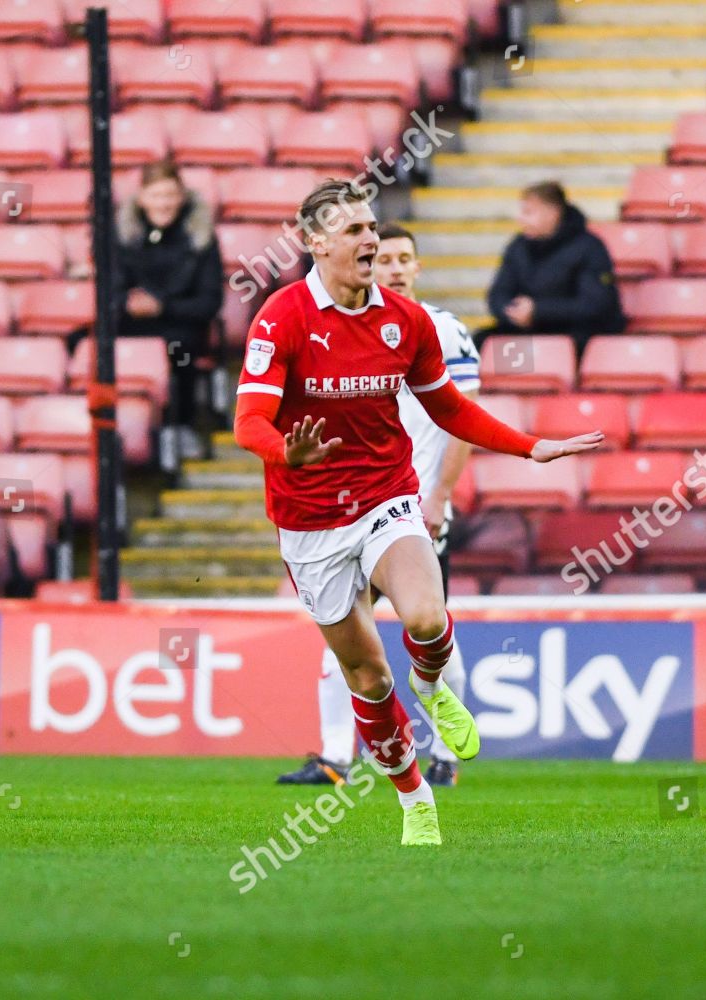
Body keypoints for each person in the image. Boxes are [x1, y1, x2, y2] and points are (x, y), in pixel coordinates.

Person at [234, 179, 601, 846]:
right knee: (367, 677)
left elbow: (450, 410)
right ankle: (413, 796)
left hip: (386, 497)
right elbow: (249, 422)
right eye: (353, 231)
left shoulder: (410, 322)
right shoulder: (282, 317)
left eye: (371, 227)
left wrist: (530, 447)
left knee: (427, 617)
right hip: (310, 520)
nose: (370, 239)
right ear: (316, 244)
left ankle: (432, 688)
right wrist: (286, 452)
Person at [277, 222, 480, 789]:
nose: (392, 266)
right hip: (351, 505)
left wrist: (439, 493)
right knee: (345, 632)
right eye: (384, 257)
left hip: (411, 505)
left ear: (417, 267)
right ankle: (336, 758)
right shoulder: (350, 328)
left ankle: (442, 755)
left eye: (402, 258)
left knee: (430, 624)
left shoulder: (441, 330)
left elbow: (461, 422)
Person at [115, 160, 223, 460]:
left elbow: (209, 301)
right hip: (133, 325)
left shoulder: (200, 238)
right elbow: (112, 289)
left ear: (181, 198)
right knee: (84, 343)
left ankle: (180, 425)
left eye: (170, 195)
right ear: (142, 199)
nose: (163, 203)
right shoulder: (123, 237)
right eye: (156, 195)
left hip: (181, 324)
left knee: (179, 348)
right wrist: (127, 303)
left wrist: (163, 306)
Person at [486, 181, 624, 356]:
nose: (520, 218)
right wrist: (513, 313)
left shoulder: (590, 247)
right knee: (482, 343)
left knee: (558, 351)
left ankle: (547, 379)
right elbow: (498, 294)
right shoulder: (518, 246)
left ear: (553, 213)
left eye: (529, 212)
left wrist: (539, 311)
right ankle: (506, 382)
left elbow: (596, 305)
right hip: (530, 332)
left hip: (575, 337)